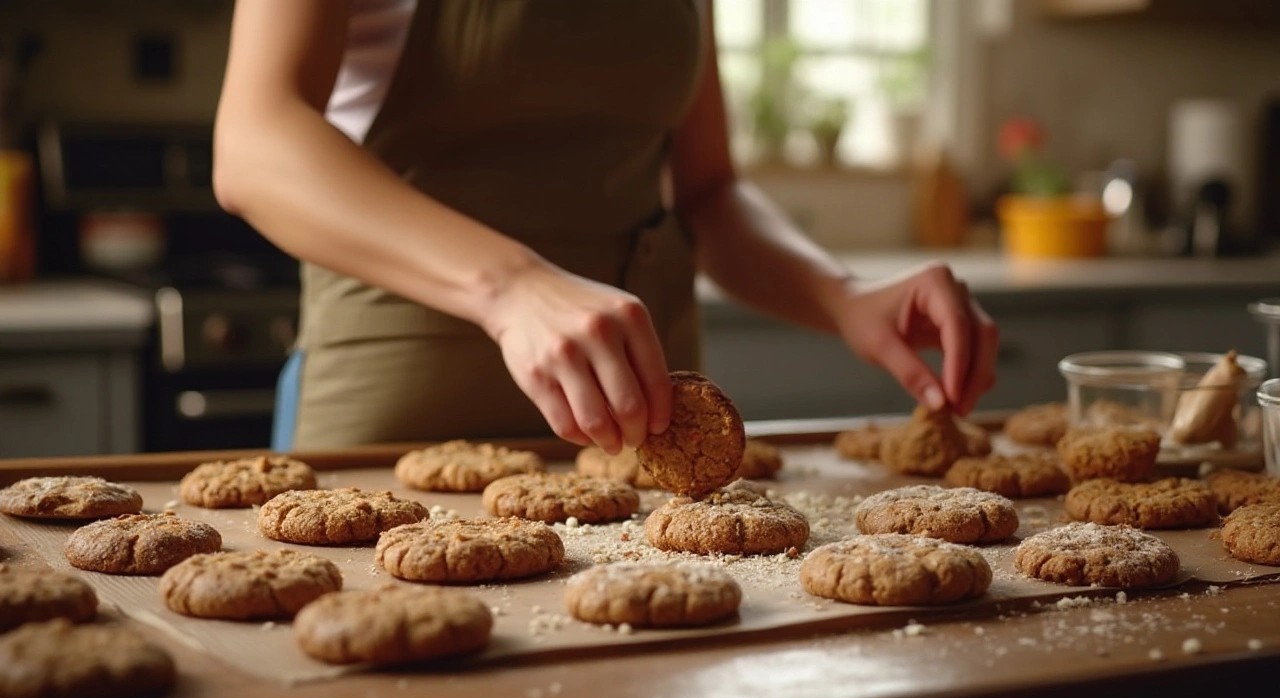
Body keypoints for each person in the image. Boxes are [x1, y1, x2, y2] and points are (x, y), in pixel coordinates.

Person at [213, 0, 1000, 454]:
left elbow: (710, 190)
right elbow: (255, 141)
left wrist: (843, 295)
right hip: (395, 423)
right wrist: (513, 287)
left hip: (642, 435)